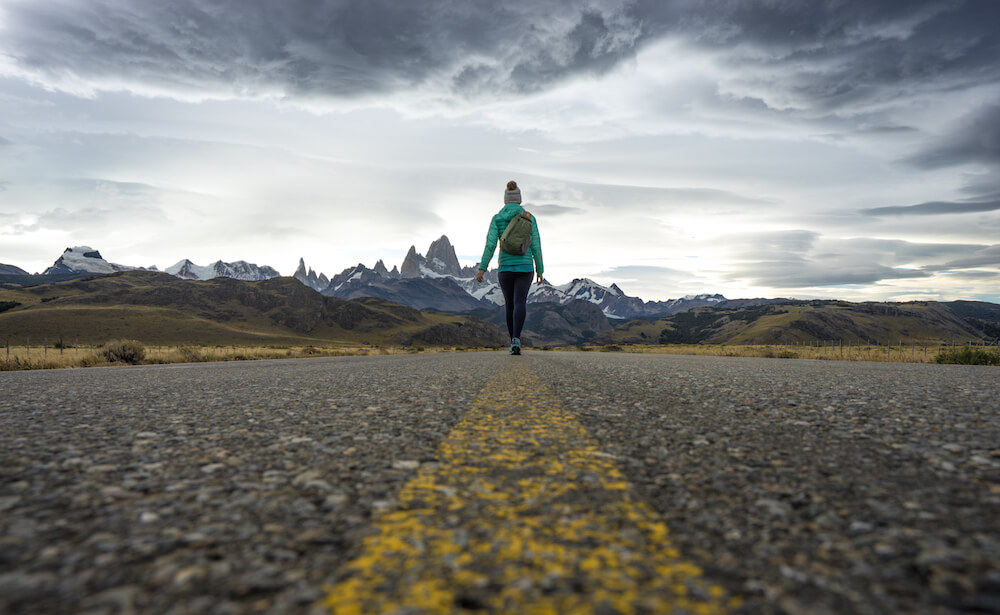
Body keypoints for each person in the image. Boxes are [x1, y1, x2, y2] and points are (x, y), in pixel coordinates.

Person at [476, 180, 544, 355]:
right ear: (519, 199)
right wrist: (540, 269)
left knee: (510, 305)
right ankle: (516, 339)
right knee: (520, 302)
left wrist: (482, 268)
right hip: (525, 267)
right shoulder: (529, 218)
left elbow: (490, 245)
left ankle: (511, 342)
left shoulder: (497, 219)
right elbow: (535, 245)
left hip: (505, 267)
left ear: (505, 200)